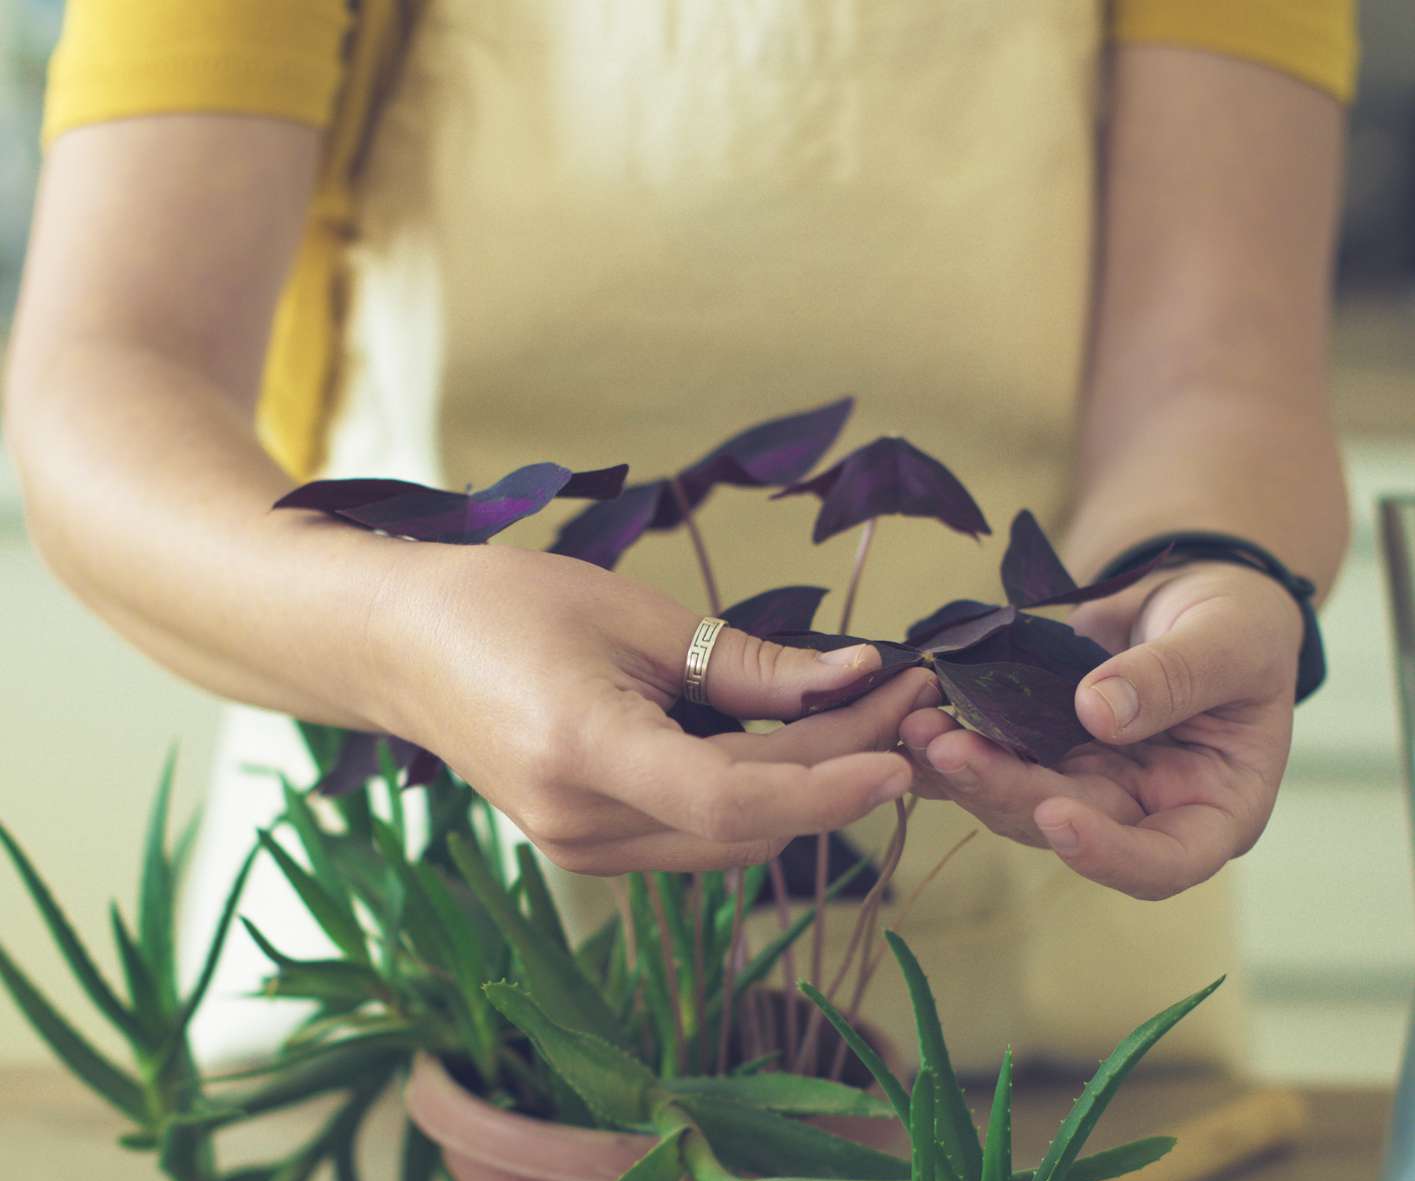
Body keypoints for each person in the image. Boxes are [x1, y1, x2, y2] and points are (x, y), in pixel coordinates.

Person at [3, 1, 1355, 1071]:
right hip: (412, 979)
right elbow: (109, 373)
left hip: (1043, 952)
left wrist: (1206, 567)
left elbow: (1218, 365)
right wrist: (398, 637)